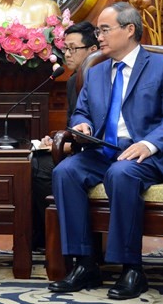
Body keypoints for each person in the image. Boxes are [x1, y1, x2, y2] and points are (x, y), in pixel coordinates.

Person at [48, 2, 163, 300]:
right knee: (65, 171)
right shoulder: (97, 72)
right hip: (104, 150)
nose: (98, 36)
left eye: (104, 29)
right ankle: (84, 263)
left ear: (129, 30)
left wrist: (148, 144)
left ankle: (132, 268)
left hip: (148, 155)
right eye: (98, 30)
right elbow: (82, 112)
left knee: (122, 172)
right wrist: (83, 126)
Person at [31, 21, 98, 251]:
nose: (67, 55)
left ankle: (54, 237)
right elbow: (74, 125)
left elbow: (96, 132)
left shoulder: (103, 80)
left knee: (40, 167)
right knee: (33, 162)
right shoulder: (73, 81)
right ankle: (44, 236)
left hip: (98, 152)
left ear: (93, 50)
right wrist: (55, 141)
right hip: (78, 147)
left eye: (73, 49)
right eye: (64, 49)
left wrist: (64, 147)